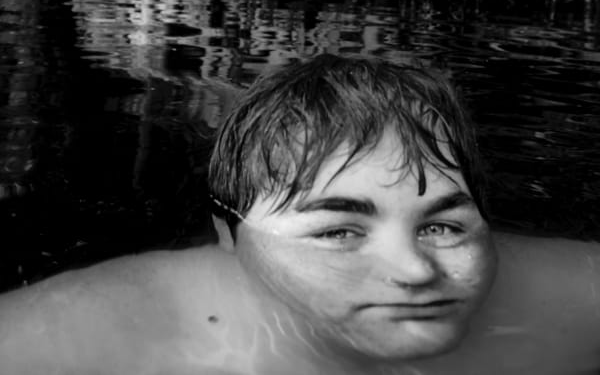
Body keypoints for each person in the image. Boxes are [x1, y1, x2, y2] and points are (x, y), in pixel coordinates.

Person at [0, 53, 599, 375]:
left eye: (442, 225)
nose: (415, 272)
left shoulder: (567, 300)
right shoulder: (106, 334)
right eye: (339, 231)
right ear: (230, 237)